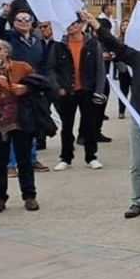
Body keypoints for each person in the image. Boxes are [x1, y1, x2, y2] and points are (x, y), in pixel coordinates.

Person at [82, 8, 140, 219]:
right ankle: (138, 201)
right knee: (137, 164)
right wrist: (96, 26)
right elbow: (116, 45)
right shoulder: (138, 59)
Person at [0, 39, 41, 214]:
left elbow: (39, 85)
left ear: (6, 52)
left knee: (24, 160)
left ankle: (29, 196)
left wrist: (26, 88)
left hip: (20, 121)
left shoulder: (22, 67)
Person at [48, 18, 106, 171]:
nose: (70, 27)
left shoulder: (92, 43)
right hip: (67, 91)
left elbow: (100, 68)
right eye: (67, 23)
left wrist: (99, 91)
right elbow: (51, 68)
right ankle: (66, 158)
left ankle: (91, 156)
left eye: (73, 23)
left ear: (81, 25)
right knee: (67, 125)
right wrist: (57, 87)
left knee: (90, 125)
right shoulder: (59, 45)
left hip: (87, 90)